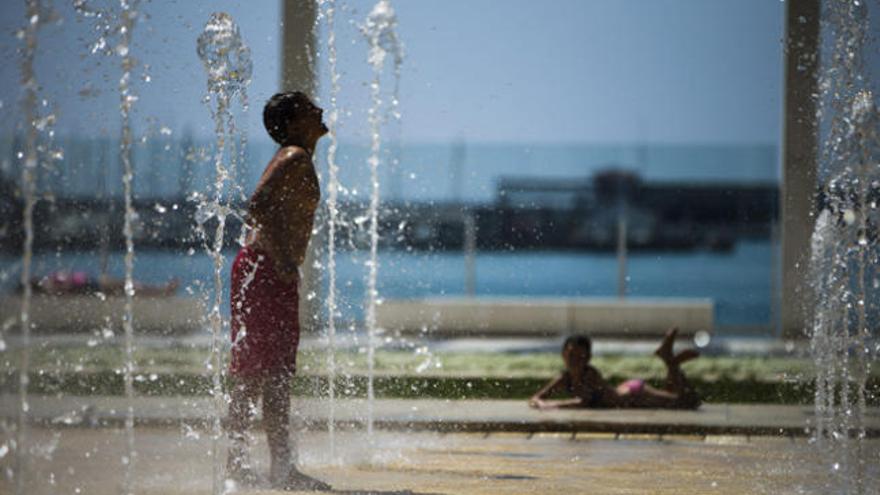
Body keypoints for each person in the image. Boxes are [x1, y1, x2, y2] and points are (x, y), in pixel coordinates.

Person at [226, 91, 330, 491]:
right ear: (291, 123)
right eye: (309, 108)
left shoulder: (295, 155)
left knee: (267, 374)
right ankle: (271, 470)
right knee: (265, 374)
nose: (319, 111)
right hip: (266, 270)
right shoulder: (293, 156)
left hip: (264, 270)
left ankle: (263, 467)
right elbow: (257, 203)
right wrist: (284, 256)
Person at [529, 329, 701, 410]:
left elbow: (583, 402)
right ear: (563, 355)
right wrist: (540, 402)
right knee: (674, 394)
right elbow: (536, 397)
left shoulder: (590, 374)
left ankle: (672, 362)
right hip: (628, 391)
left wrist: (551, 405)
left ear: (588, 358)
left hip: (635, 395)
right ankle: (669, 359)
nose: (573, 360)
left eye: (578, 356)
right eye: (570, 355)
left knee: (688, 403)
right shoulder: (564, 377)